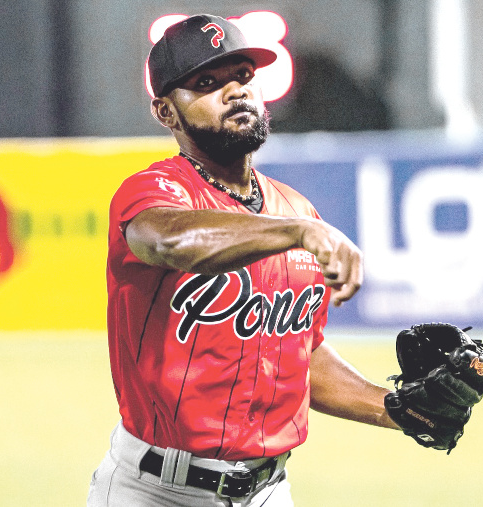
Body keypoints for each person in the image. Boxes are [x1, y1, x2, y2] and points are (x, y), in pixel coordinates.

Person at [87, 14, 400, 507]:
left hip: (268, 491)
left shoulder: (295, 209)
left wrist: (391, 407)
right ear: (166, 112)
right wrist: (300, 233)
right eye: (207, 83)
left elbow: (300, 355)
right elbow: (170, 241)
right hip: (156, 491)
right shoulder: (152, 192)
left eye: (243, 76)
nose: (235, 91)